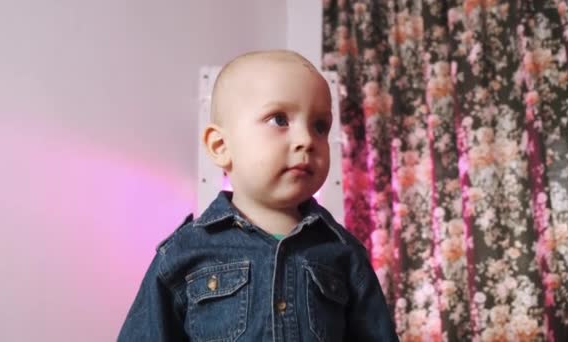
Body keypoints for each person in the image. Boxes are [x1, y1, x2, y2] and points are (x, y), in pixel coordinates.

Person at [118, 49, 399, 341]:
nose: (306, 140)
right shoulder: (183, 253)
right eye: (279, 120)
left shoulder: (344, 253)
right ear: (220, 146)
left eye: (319, 126)